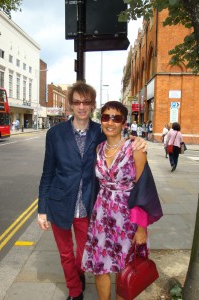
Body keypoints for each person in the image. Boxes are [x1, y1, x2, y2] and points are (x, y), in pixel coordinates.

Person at [37, 82, 147, 300]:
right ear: (70, 105)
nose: (81, 106)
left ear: (92, 105)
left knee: (83, 256)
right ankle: (75, 291)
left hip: (89, 206)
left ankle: (79, 274)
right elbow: (47, 173)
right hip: (59, 203)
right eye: (77, 102)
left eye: (86, 102)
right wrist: (42, 209)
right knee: (66, 254)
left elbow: (118, 141)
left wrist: (137, 140)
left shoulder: (101, 129)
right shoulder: (55, 134)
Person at [81, 101, 163, 300]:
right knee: (100, 267)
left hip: (127, 218)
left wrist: (141, 228)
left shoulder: (135, 149)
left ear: (124, 122)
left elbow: (144, 189)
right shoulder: (98, 149)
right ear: (100, 120)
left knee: (126, 268)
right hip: (101, 216)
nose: (110, 122)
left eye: (116, 118)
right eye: (105, 117)